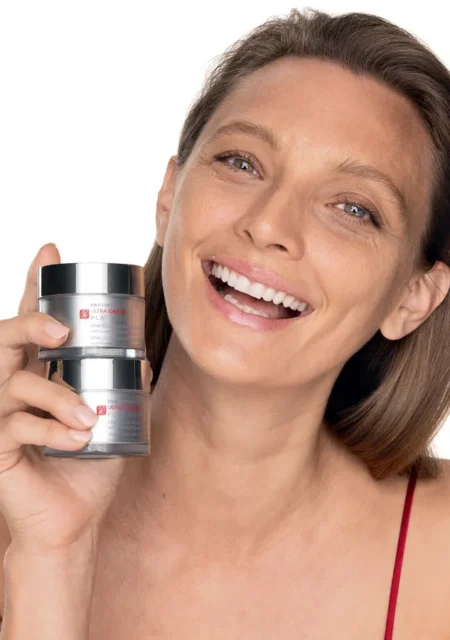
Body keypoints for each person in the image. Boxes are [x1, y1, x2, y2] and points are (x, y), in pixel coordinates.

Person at [0, 7, 450, 639]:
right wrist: (52, 557)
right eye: (242, 163)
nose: (267, 224)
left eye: (353, 208)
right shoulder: (15, 500)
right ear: (169, 197)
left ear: (413, 297)